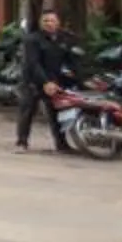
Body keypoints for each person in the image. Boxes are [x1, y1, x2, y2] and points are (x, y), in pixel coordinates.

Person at [15, 9, 77, 154]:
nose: (49, 23)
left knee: (57, 112)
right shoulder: (32, 40)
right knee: (27, 110)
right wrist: (45, 82)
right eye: (46, 21)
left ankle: (61, 144)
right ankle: (21, 142)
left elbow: (70, 59)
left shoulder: (64, 38)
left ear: (58, 22)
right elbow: (33, 63)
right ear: (40, 23)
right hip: (33, 80)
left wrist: (74, 75)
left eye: (52, 20)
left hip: (54, 81)